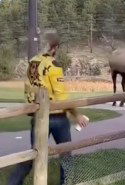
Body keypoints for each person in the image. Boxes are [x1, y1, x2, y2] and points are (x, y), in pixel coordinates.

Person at [8, 32, 89, 185]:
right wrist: (77, 115)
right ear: (55, 47)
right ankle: (66, 183)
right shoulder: (54, 65)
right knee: (66, 155)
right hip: (56, 117)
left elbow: (28, 88)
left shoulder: (32, 62)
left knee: (34, 154)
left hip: (37, 115)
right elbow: (61, 97)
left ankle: (13, 182)